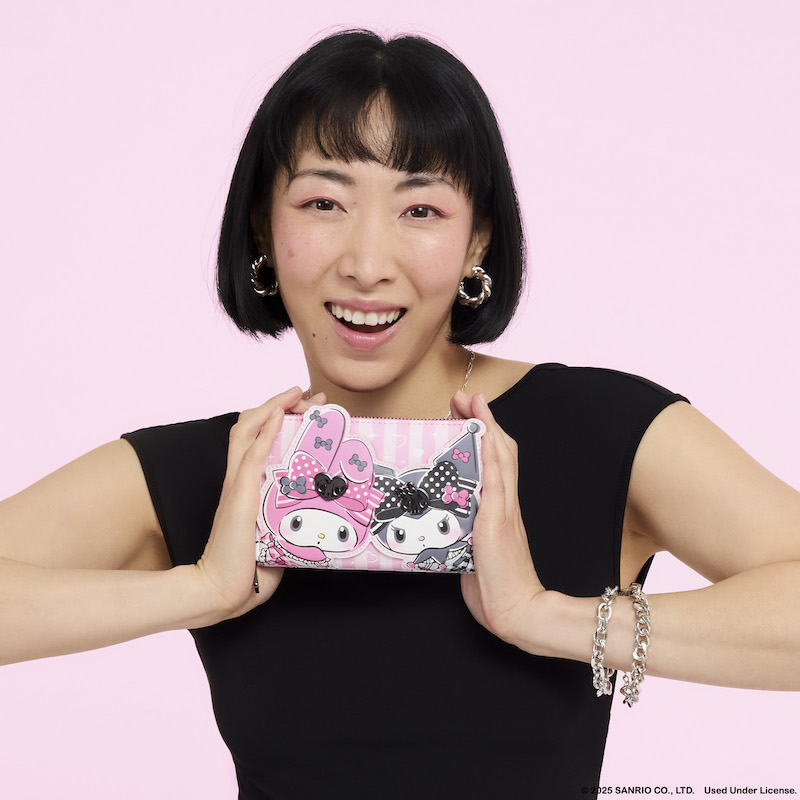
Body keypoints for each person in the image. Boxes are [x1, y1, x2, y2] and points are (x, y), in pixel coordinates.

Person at [1, 29, 799, 798]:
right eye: (323, 202)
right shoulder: (219, 470)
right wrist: (200, 589)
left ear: (477, 239)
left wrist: (548, 618)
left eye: (420, 210)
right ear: (262, 228)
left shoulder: (604, 430)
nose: (368, 263)